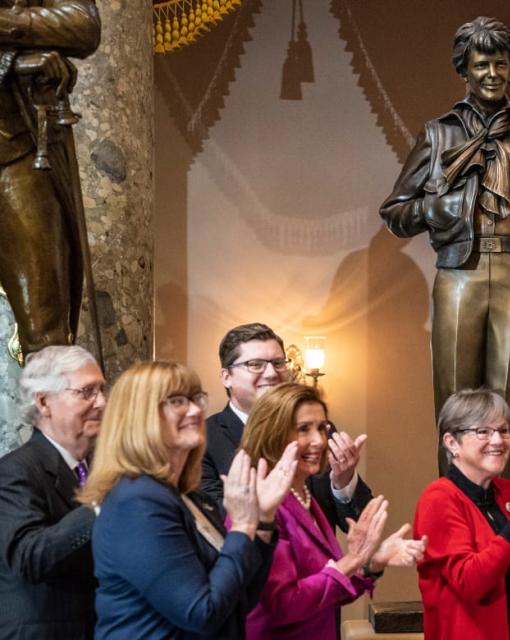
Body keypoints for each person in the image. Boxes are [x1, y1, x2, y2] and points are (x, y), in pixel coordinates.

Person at [380, 17, 510, 475]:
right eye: (481, 65)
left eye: (500, 64)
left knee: (507, 406)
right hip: (458, 276)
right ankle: (453, 507)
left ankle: (508, 517)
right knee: (455, 403)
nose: (492, 73)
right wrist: (438, 210)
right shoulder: (438, 135)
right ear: (465, 72)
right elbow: (394, 212)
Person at [80, 361, 299, 639]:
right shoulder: (136, 501)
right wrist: (243, 525)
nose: (196, 410)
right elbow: (201, 613)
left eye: (196, 399)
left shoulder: (190, 497)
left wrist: (264, 520)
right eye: (177, 401)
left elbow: (239, 598)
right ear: (139, 415)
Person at [239, 383, 426, 639]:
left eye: (322, 428)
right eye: (303, 429)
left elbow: (330, 589)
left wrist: (373, 562)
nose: (319, 441)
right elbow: (283, 605)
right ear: (273, 434)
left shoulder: (306, 498)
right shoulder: (261, 505)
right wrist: (354, 559)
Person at [414, 389, 510, 640]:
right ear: (452, 443)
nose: (498, 441)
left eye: (504, 430)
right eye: (483, 431)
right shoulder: (439, 498)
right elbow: (470, 583)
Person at [201, 323, 372, 532]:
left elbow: (362, 525)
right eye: (255, 364)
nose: (272, 373)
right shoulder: (205, 438)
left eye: (278, 362)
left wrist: (343, 482)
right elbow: (213, 524)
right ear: (226, 377)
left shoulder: (317, 431)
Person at [0, 0, 100, 357]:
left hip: (15, 145)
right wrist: (15, 58)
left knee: (47, 336)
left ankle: (55, 411)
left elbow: (81, 27)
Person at [0, 345, 104, 638]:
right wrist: (99, 504)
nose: (101, 402)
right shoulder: (15, 470)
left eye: (101, 389)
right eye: (87, 392)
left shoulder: (100, 468)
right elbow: (29, 556)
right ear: (44, 402)